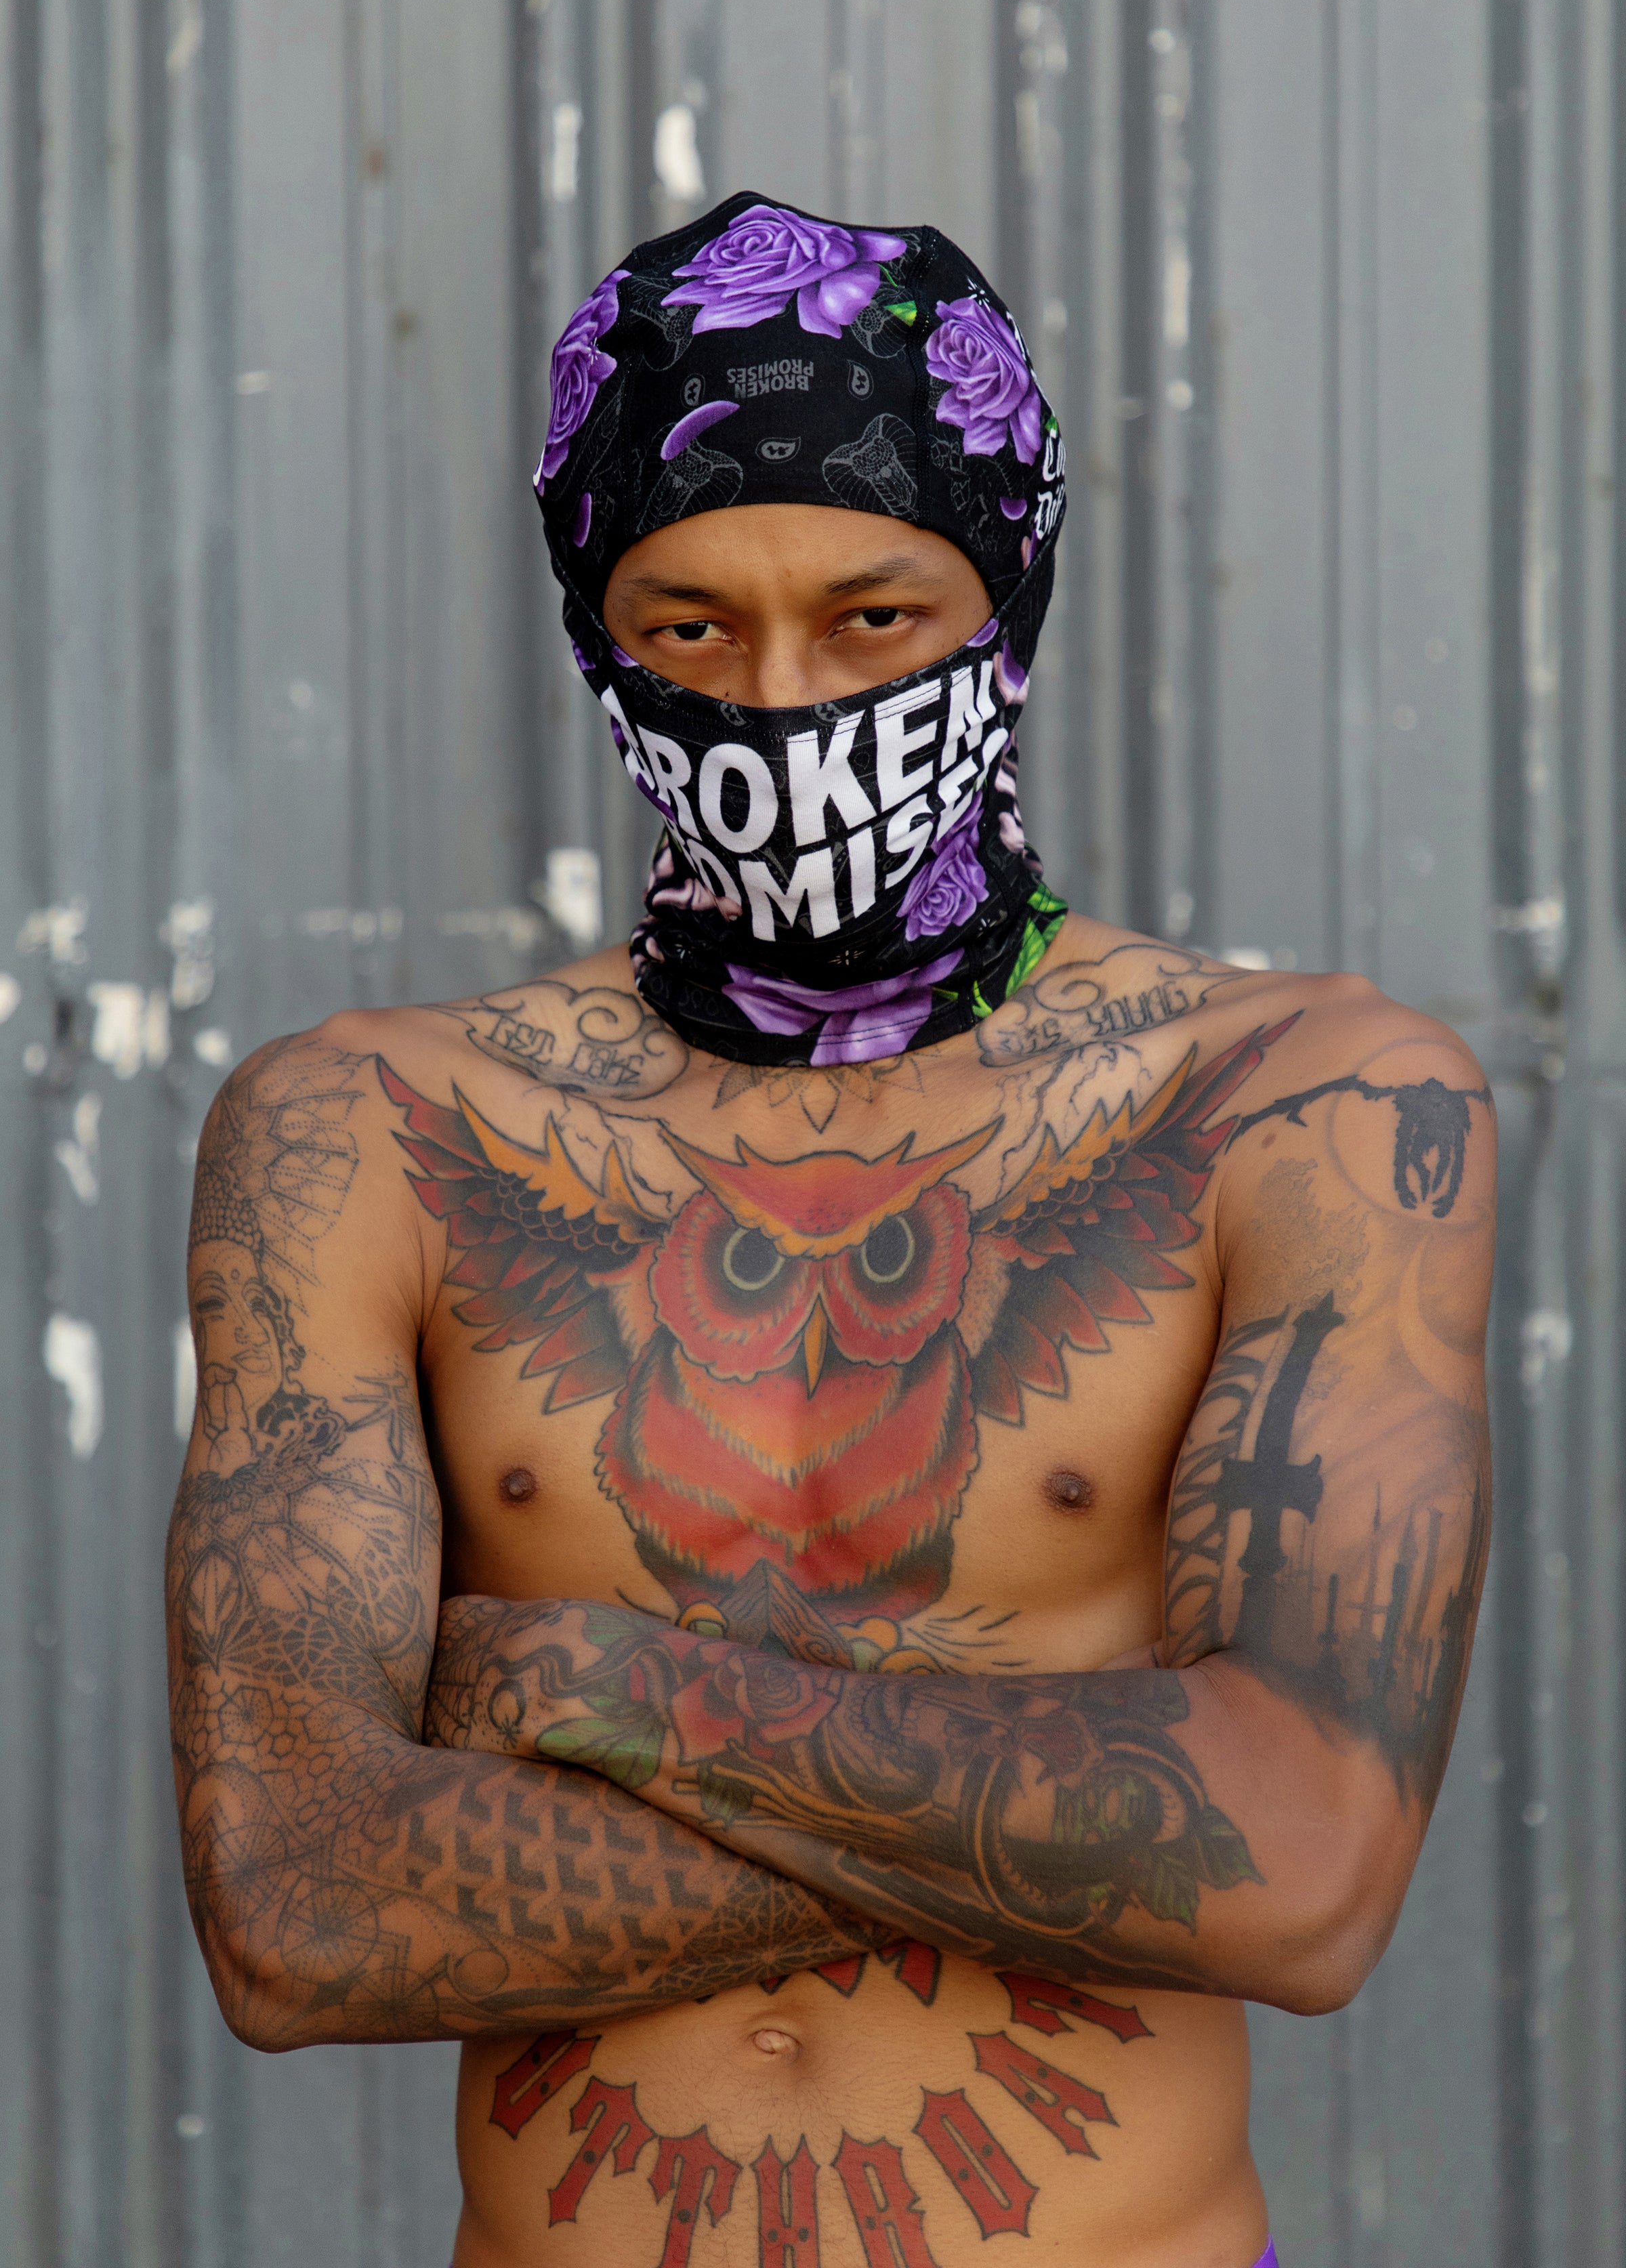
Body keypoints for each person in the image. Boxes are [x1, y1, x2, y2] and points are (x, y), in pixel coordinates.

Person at [167, 194, 1494, 2268]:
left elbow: (1310, 1871)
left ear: (1008, 601)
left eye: (876, 617)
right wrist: (1098, 1817)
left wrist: (612, 1690)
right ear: (597, 639)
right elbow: (298, 1907)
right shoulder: (373, 1131)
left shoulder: (1294, 1103)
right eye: (688, 630)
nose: (781, 706)